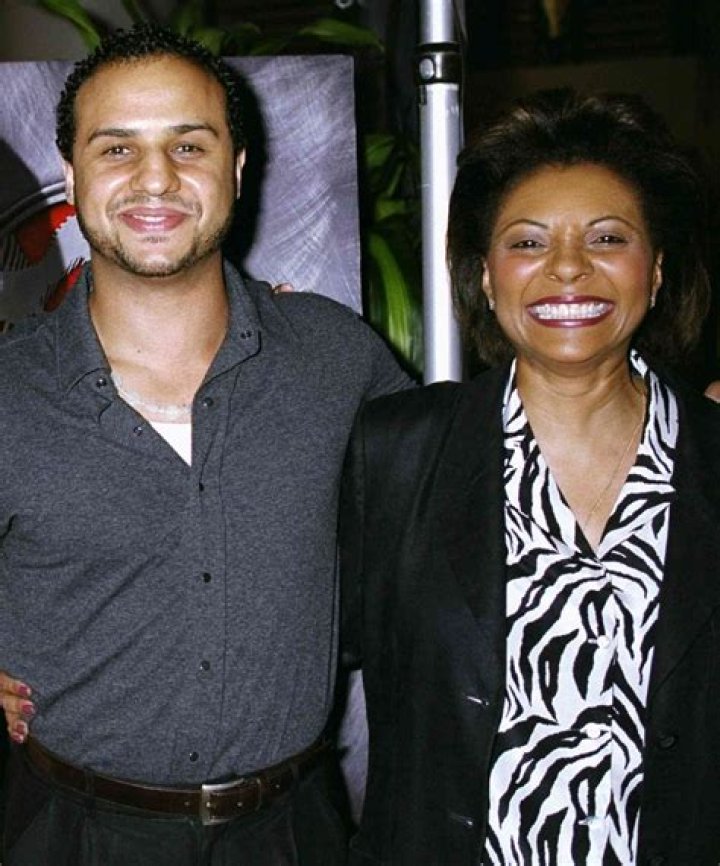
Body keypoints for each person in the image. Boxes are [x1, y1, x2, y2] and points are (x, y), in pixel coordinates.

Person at [0, 23, 410, 866]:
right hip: (70, 834)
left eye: (189, 145)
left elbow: (460, 498)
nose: (156, 177)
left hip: (295, 835)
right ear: (71, 177)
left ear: (238, 169)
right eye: (117, 149)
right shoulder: (9, 387)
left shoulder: (337, 357)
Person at [340, 88, 720, 865]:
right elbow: (290, 653)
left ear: (656, 272)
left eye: (608, 238)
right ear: (485, 277)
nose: (569, 268)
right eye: (528, 242)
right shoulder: (396, 452)